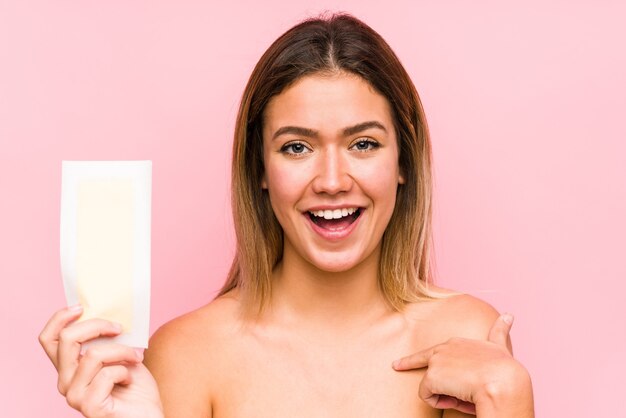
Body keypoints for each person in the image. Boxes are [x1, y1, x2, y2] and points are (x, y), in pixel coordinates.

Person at [39, 13, 534, 417]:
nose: (333, 180)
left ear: (403, 163)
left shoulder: (464, 336)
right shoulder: (189, 354)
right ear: (260, 168)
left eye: (364, 144)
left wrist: (510, 400)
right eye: (297, 147)